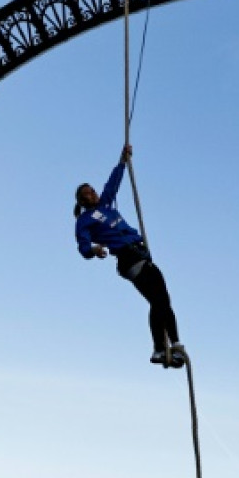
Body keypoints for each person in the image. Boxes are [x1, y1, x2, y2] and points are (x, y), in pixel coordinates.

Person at [74, 144, 187, 367]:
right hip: (128, 257)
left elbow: (112, 184)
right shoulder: (85, 220)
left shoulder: (106, 205)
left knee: (161, 301)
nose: (92, 194)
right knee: (159, 300)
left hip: (139, 254)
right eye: (86, 194)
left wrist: (122, 161)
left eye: (92, 190)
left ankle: (170, 346)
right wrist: (93, 250)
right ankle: (164, 347)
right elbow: (82, 244)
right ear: (81, 201)